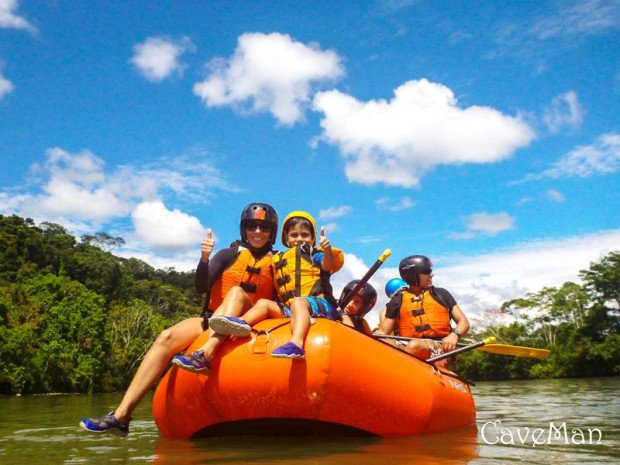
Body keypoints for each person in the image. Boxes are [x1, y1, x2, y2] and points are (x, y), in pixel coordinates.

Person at [79, 202, 278, 435]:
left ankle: (206, 353)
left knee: (236, 293)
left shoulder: (277, 262)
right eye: (251, 226)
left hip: (251, 324)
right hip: (214, 319)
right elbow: (201, 286)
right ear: (243, 229)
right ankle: (121, 416)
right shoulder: (228, 254)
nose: (257, 232)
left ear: (271, 232)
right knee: (166, 337)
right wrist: (205, 258)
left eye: (263, 227)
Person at [188, 211, 344, 360]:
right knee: (264, 304)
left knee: (299, 302)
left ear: (312, 238)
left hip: (318, 304)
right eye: (294, 235)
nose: (299, 239)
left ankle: (296, 343)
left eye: (305, 235)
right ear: (286, 239)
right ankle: (241, 323)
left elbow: (327, 265)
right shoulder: (278, 258)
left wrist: (327, 249)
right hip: (290, 309)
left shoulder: (315, 253)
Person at [376, 255, 470, 363]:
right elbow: (383, 333)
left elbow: (464, 322)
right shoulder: (397, 300)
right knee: (385, 342)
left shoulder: (441, 294)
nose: (431, 274)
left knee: (414, 346)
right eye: (427, 271)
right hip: (408, 345)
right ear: (413, 276)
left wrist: (454, 335)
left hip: (442, 347)